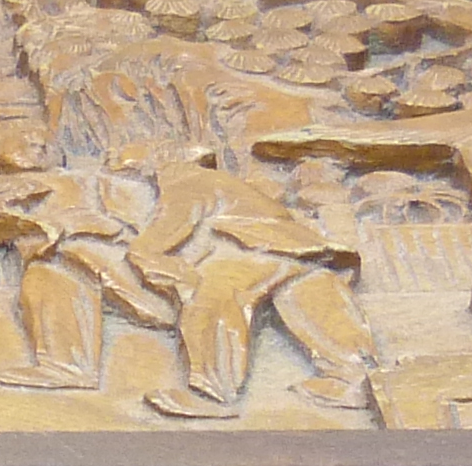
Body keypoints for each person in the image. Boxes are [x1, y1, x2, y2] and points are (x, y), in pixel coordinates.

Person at [127, 142, 375, 418]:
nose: (118, 157)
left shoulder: (187, 179)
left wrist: (144, 251)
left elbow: (175, 221)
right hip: (301, 247)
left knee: (213, 300)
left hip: (254, 246)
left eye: (130, 152)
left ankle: (212, 394)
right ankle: (353, 378)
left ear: (164, 156)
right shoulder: (221, 180)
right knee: (313, 301)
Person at [0, 121, 169, 392]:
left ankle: (68, 366)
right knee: (45, 278)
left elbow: (133, 221)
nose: (38, 144)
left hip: (102, 255)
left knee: (48, 276)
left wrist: (81, 225)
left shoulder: (86, 180)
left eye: (44, 139)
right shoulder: (4, 184)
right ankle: (67, 366)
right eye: (26, 138)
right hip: (69, 258)